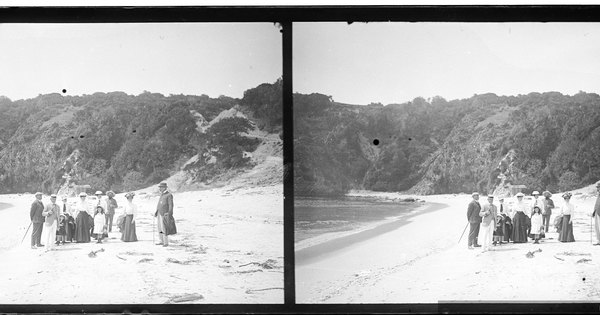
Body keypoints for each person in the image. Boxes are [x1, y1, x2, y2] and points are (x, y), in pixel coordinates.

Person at [155, 182, 176, 247]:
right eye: (160, 187)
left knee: (164, 228)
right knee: (159, 228)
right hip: (159, 213)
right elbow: (159, 204)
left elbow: (171, 205)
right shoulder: (162, 194)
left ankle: (165, 242)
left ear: (164, 188)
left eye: (161, 187)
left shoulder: (169, 195)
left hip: (164, 214)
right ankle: (161, 240)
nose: (160, 189)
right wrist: (156, 211)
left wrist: (169, 213)